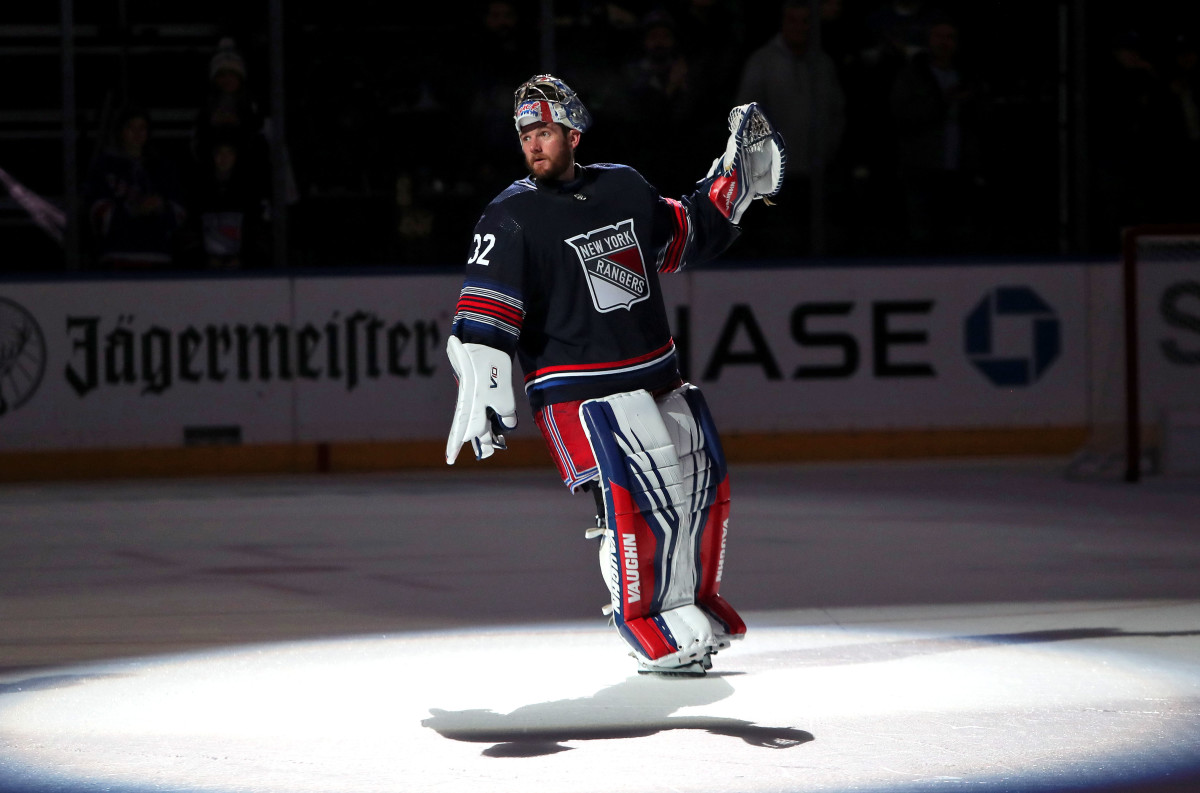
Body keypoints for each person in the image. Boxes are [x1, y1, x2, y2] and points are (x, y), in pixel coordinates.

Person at [444, 74, 785, 675]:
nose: (533, 144)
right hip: (577, 393)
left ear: (574, 132)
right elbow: (484, 315)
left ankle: (690, 603)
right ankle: (645, 621)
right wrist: (485, 380)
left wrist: (731, 192)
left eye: (543, 130)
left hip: (657, 376)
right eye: (525, 134)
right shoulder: (510, 216)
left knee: (698, 488)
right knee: (635, 502)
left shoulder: (625, 188)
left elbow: (682, 236)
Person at [735, 0, 845, 256]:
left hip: (817, 175)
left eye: (805, 21)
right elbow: (745, 115)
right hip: (773, 179)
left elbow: (837, 113)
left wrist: (827, 151)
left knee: (817, 244)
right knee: (780, 245)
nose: (799, 27)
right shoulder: (762, 61)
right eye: (792, 20)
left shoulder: (823, 63)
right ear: (783, 23)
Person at [83, 105, 187, 269]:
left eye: (142, 128)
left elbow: (179, 212)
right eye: (131, 127)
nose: (137, 133)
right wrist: (134, 211)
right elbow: (97, 213)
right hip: (116, 257)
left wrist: (160, 207)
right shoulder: (104, 166)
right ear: (120, 131)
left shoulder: (163, 167)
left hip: (158, 258)